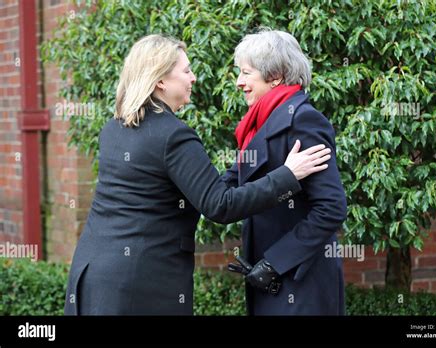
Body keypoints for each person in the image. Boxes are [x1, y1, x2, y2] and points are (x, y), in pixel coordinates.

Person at [63, 34, 332, 315]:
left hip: (91, 271)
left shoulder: (115, 129)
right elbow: (220, 204)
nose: (193, 78)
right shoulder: (173, 136)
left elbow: (203, 187)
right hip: (139, 284)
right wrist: (288, 176)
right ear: (161, 81)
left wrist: (247, 160)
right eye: (187, 70)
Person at [224, 29, 347, 315]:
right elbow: (227, 185)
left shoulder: (303, 120)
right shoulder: (259, 124)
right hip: (272, 281)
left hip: (300, 282)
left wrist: (275, 262)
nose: (239, 82)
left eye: (246, 73)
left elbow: (331, 206)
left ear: (275, 75)